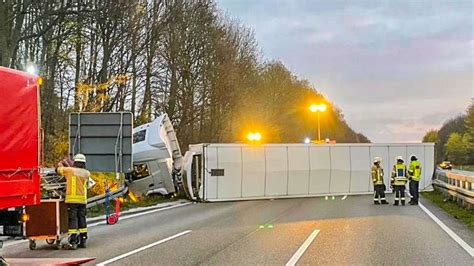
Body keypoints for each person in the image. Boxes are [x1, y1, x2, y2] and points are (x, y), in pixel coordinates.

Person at [56, 154, 90, 249]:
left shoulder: (70, 171)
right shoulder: (86, 173)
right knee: (82, 219)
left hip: (72, 200)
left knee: (73, 219)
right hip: (82, 200)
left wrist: (61, 164)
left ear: (75, 162)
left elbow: (58, 170)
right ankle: (83, 239)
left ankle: (73, 240)